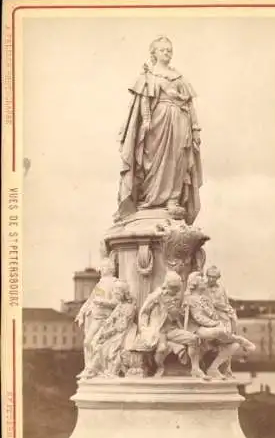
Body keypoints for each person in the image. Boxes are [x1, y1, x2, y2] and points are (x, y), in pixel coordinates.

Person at [115, 36, 203, 224]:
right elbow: (144, 100)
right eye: (162, 50)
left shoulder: (179, 78)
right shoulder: (148, 76)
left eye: (169, 50)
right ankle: (148, 198)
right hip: (157, 122)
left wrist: (195, 128)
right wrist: (146, 119)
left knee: (178, 159)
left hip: (180, 120)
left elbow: (189, 104)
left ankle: (172, 199)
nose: (167, 53)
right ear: (153, 52)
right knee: (151, 160)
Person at [136, 270, 207, 379]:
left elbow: (176, 315)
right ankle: (160, 367)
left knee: (194, 339)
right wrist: (144, 328)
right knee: (161, 349)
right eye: (175, 290)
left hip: (171, 329)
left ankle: (195, 369)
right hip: (158, 330)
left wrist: (181, 310)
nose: (177, 292)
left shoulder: (175, 298)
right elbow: (144, 312)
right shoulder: (156, 296)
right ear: (169, 286)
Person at [184, 272, 255, 379]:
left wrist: (218, 321)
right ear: (196, 284)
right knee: (219, 331)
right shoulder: (190, 299)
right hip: (197, 329)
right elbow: (199, 318)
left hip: (209, 329)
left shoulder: (205, 298)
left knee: (234, 345)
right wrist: (216, 324)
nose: (205, 281)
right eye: (202, 280)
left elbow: (214, 315)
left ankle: (213, 368)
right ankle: (241, 340)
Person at [75, 257, 121, 379]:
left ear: (109, 268)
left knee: (96, 344)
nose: (100, 269)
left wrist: (103, 303)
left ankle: (94, 369)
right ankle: (89, 368)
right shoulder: (100, 284)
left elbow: (118, 302)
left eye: (103, 267)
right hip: (96, 318)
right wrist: (81, 314)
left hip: (107, 320)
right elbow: (91, 300)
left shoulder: (116, 284)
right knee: (87, 342)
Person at [86, 280, 137, 378]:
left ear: (124, 294)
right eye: (114, 293)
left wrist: (108, 333)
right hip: (114, 332)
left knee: (106, 347)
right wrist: (104, 329)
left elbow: (122, 326)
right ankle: (93, 369)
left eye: (117, 293)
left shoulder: (129, 307)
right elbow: (110, 319)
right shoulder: (120, 306)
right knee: (96, 342)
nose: (115, 295)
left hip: (122, 334)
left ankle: (107, 370)